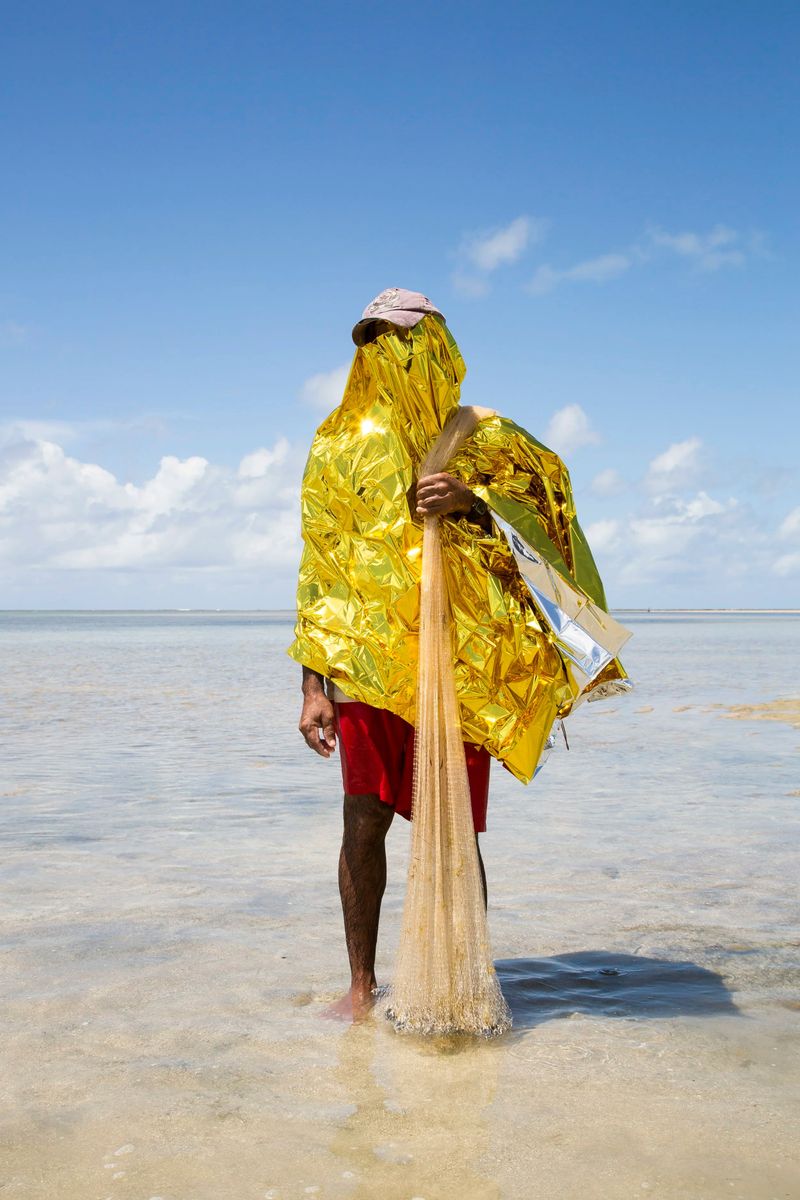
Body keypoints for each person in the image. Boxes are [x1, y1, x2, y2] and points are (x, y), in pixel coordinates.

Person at [288, 288, 628, 1019]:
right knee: (362, 824)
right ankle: (361, 985)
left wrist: (473, 498)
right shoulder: (337, 446)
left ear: (437, 345)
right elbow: (320, 570)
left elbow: (550, 504)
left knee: (455, 833)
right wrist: (312, 686)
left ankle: (467, 983)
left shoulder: (484, 438)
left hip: (459, 669)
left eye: (404, 339)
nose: (390, 354)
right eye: (375, 341)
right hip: (366, 671)